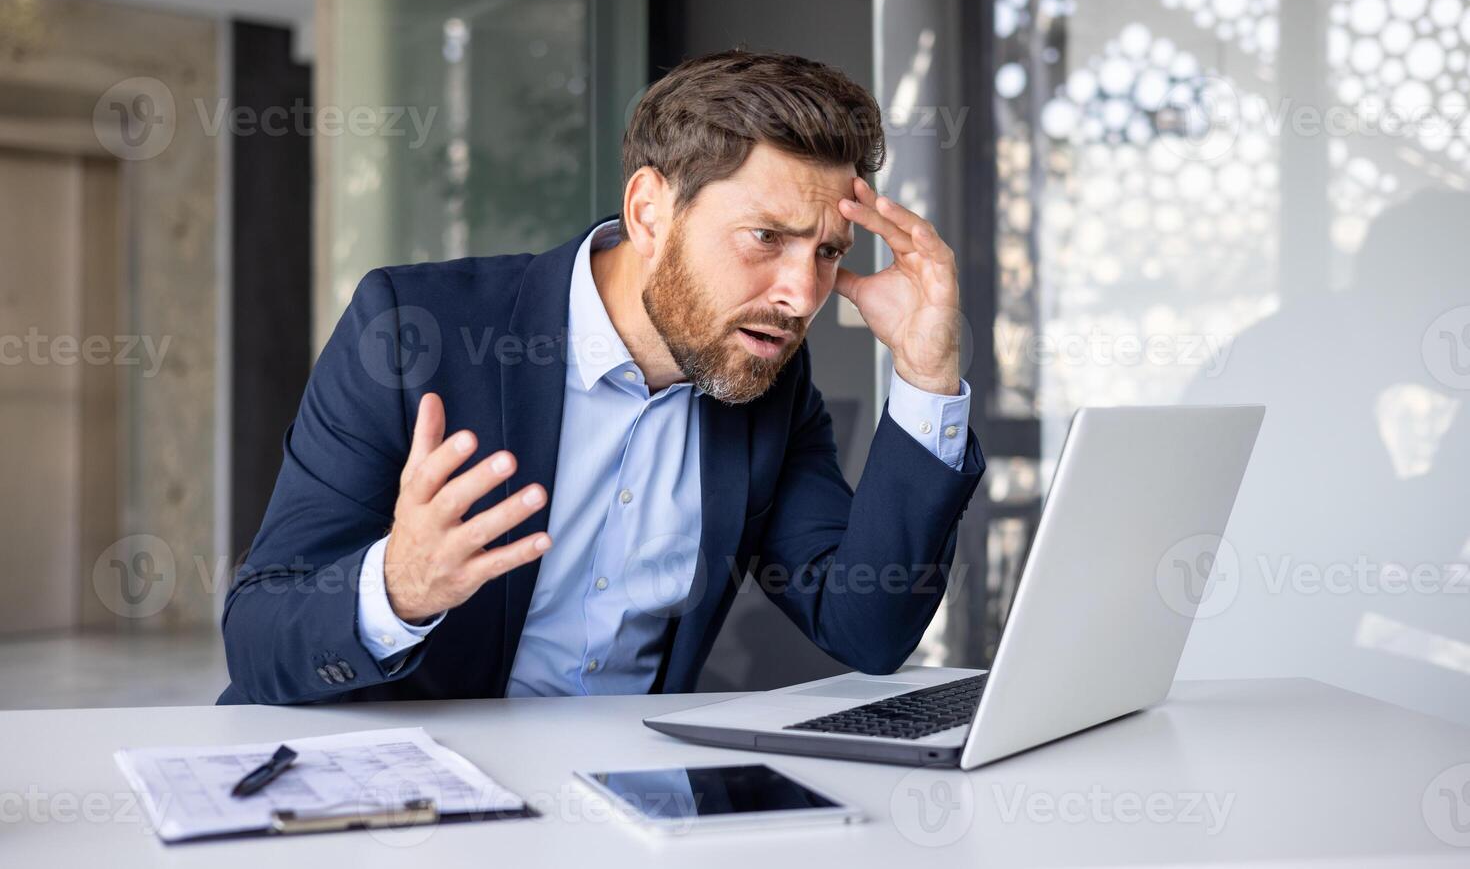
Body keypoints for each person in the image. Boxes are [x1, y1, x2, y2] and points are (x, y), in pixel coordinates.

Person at [218, 50, 986, 705]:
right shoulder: (414, 330)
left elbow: (868, 628)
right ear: (650, 212)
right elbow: (257, 637)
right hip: (397, 795)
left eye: (826, 251)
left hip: (622, 806)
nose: (801, 294)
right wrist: (397, 590)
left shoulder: (763, 382)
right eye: (767, 238)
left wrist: (925, 378)